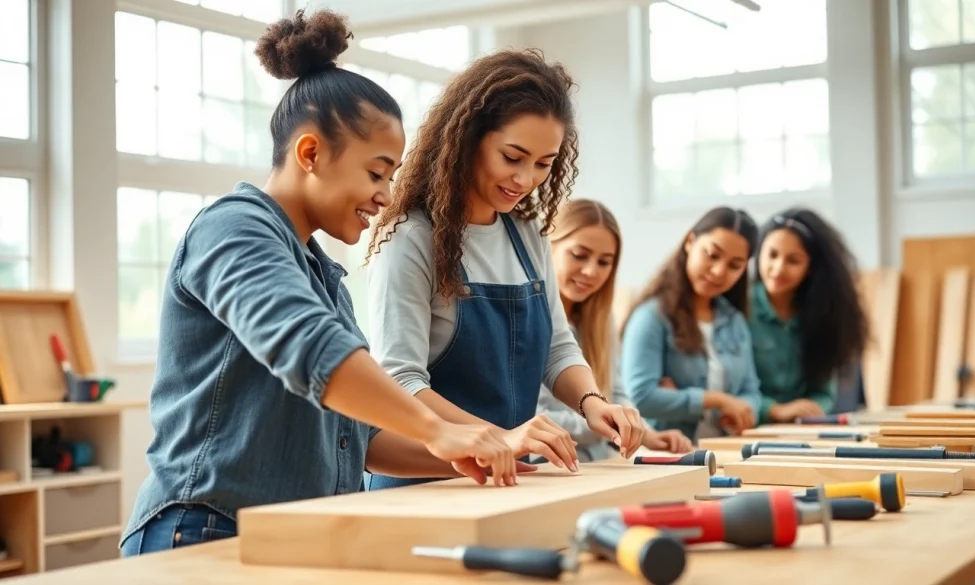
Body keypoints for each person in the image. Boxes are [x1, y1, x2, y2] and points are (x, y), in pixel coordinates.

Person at [120, 9, 522, 557]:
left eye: (392, 177)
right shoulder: (233, 228)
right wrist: (437, 429)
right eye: (377, 172)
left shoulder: (321, 274)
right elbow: (310, 348)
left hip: (290, 535)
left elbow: (361, 436)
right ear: (310, 153)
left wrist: (493, 447)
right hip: (204, 529)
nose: (385, 195)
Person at [362, 49, 645, 490]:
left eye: (544, 164)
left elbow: (557, 347)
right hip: (426, 485)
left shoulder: (528, 232)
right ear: (468, 139)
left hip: (507, 479)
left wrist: (592, 401)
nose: (526, 179)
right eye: (512, 157)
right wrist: (498, 438)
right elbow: (399, 380)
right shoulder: (412, 237)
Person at [536, 198, 693, 461]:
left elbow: (616, 391)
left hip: (598, 460)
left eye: (604, 262)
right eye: (579, 255)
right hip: (547, 465)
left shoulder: (601, 318)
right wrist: (610, 425)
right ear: (547, 247)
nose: (590, 271)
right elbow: (533, 417)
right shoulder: (528, 317)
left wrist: (643, 431)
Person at [619, 207, 762, 442]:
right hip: (672, 456)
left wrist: (743, 410)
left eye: (734, 265)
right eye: (712, 255)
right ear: (690, 242)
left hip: (727, 451)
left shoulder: (734, 319)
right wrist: (717, 400)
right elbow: (641, 397)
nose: (719, 271)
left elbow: (751, 391)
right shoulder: (652, 316)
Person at [749, 208, 869, 424]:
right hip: (746, 432)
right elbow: (729, 389)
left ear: (811, 268)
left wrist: (812, 409)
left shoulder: (824, 314)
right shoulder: (739, 309)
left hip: (799, 433)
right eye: (772, 255)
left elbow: (824, 392)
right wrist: (775, 410)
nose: (778, 269)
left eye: (793, 261)